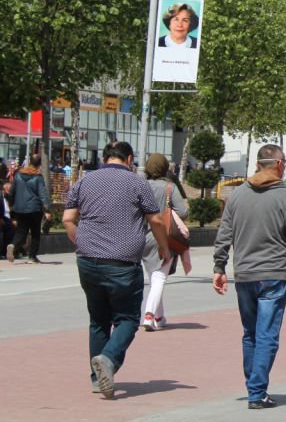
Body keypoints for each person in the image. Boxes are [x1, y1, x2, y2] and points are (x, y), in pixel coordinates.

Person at [62, 141, 170, 399]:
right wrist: (164, 249)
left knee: (98, 320)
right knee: (128, 319)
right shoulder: (137, 183)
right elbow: (155, 218)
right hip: (122, 263)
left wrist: (83, 241)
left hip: (87, 261)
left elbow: (67, 219)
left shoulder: (85, 181)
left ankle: (97, 379)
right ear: (129, 158)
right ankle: (108, 360)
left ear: (105, 157)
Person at [213, 144, 286, 409]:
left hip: (245, 275)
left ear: (258, 164)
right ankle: (257, 392)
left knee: (250, 333)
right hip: (274, 275)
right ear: (280, 165)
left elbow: (224, 233)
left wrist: (219, 267)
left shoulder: (237, 195)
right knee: (267, 334)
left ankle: (254, 386)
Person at [140, 153, 189, 331]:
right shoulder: (170, 187)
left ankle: (159, 317)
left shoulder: (141, 186)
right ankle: (149, 314)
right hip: (164, 236)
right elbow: (182, 212)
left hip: (142, 236)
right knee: (160, 276)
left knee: (154, 277)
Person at [8, 154, 52, 263]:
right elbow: (42, 194)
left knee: (21, 231)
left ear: (30, 162)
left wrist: (12, 204)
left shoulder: (18, 175)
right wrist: (47, 209)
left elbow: (12, 191)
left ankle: (13, 245)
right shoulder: (38, 177)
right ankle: (32, 257)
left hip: (20, 208)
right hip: (34, 209)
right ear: (39, 164)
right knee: (35, 233)